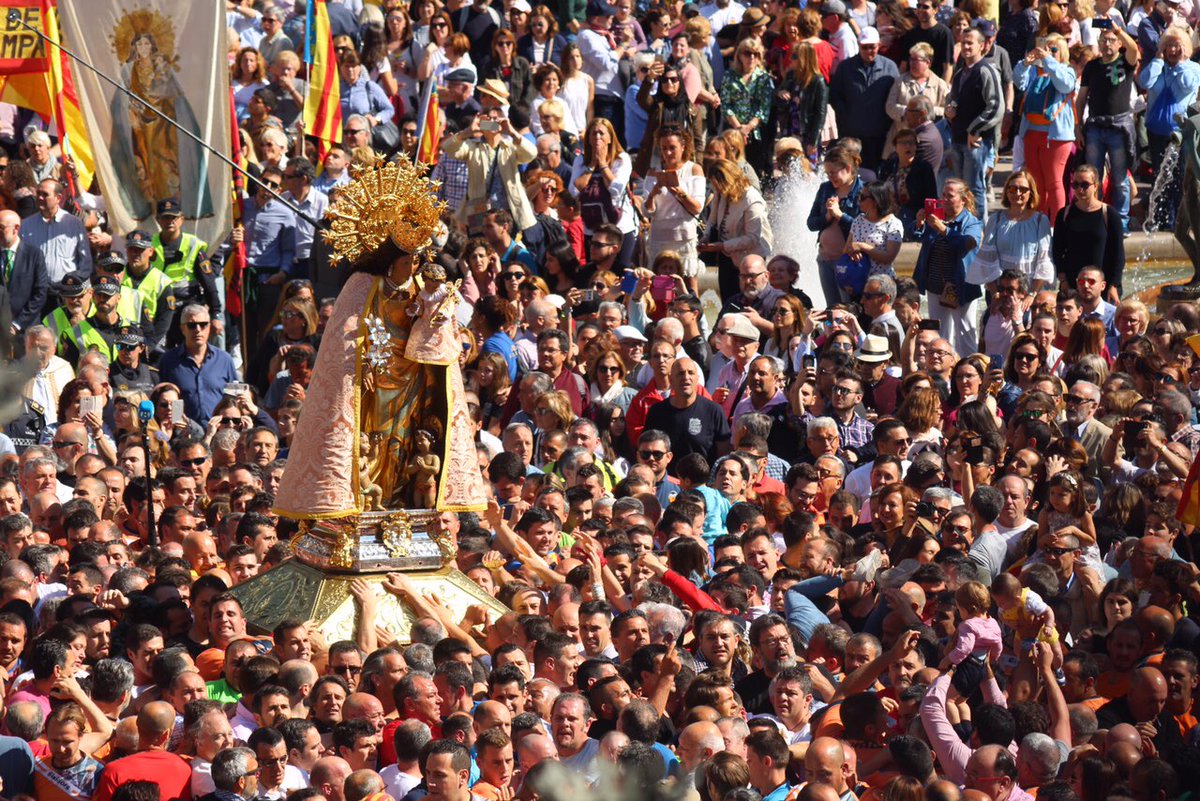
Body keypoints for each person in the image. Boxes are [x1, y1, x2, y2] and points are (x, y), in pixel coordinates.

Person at [1076, 23, 1139, 234]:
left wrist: (1118, 30)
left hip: (1119, 126)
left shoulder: (1125, 62)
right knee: (1094, 175)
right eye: (1104, 40)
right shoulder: (1092, 66)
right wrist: (1078, 127)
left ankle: (1120, 221)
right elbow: (1081, 98)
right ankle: (1096, 216)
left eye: (1112, 40)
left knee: (1120, 178)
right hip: (1095, 125)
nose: (1107, 44)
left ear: (1119, 42)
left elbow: (1135, 51)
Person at [913, 179, 984, 356]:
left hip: (962, 286)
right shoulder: (936, 217)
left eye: (950, 196)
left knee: (965, 334)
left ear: (963, 199)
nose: (944, 199)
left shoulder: (972, 222)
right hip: (935, 286)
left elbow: (968, 243)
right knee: (940, 333)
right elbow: (918, 237)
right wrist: (919, 224)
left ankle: (970, 369)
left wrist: (944, 230)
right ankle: (943, 370)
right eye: (943, 195)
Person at [1014, 33, 1077, 224]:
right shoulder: (1035, 72)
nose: (1048, 52)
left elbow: (1065, 85)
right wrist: (1025, 63)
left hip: (1056, 137)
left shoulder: (1067, 70)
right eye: (1045, 47)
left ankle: (1056, 226)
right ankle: (1037, 223)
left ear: (1062, 52)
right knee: (1036, 184)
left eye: (1054, 49)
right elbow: (1019, 82)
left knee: (1054, 182)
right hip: (1031, 133)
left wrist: (1048, 59)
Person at [944, 29, 1004, 219]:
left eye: (971, 43)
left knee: (974, 188)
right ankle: (964, 229)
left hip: (977, 141)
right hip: (958, 138)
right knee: (960, 189)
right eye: (963, 43)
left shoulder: (986, 70)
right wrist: (949, 110)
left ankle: (978, 233)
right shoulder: (960, 73)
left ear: (981, 45)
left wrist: (975, 129)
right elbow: (953, 99)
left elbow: (996, 106)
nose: (966, 47)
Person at [969, 169, 1054, 293]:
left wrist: (1031, 294)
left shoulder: (1041, 221)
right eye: (1013, 189)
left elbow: (1044, 260)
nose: (1017, 193)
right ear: (1007, 192)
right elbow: (987, 261)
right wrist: (995, 294)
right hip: (1001, 291)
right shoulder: (995, 220)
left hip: (1029, 292)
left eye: (1023, 189)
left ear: (1031, 192)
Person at [828, 29, 899, 171]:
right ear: (859, 45)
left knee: (875, 174)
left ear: (879, 45)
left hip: (879, 134)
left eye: (872, 47)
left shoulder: (889, 67)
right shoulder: (845, 67)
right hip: (852, 134)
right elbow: (835, 96)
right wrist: (846, 117)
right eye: (864, 47)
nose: (868, 51)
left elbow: (895, 96)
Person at [702, 159, 772, 302]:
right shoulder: (721, 193)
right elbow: (712, 219)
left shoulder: (752, 199)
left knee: (749, 301)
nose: (717, 190)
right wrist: (706, 236)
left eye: (718, 186)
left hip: (750, 259)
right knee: (728, 300)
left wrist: (722, 246)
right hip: (727, 255)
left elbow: (753, 238)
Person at [1051, 165, 1125, 300]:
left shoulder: (1109, 214)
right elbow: (1057, 251)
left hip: (1102, 287)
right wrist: (1063, 281)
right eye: (1076, 184)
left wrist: (1113, 285)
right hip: (1074, 286)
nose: (1080, 189)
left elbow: (1118, 255)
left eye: (1085, 185)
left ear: (1096, 186)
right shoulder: (1065, 214)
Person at [808, 146, 864, 307]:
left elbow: (865, 229)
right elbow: (811, 223)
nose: (830, 177)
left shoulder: (863, 191)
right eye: (827, 174)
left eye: (833, 172)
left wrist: (840, 215)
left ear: (847, 168)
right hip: (825, 259)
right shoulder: (825, 189)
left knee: (849, 308)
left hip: (849, 261)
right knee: (832, 308)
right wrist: (827, 216)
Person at [720, 38, 775, 176]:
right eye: (747, 53)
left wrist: (748, 127)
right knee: (731, 168)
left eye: (755, 54)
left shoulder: (763, 78)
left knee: (754, 170)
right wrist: (739, 128)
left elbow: (764, 107)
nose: (751, 57)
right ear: (739, 55)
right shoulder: (729, 76)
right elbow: (725, 104)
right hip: (733, 130)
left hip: (754, 133)